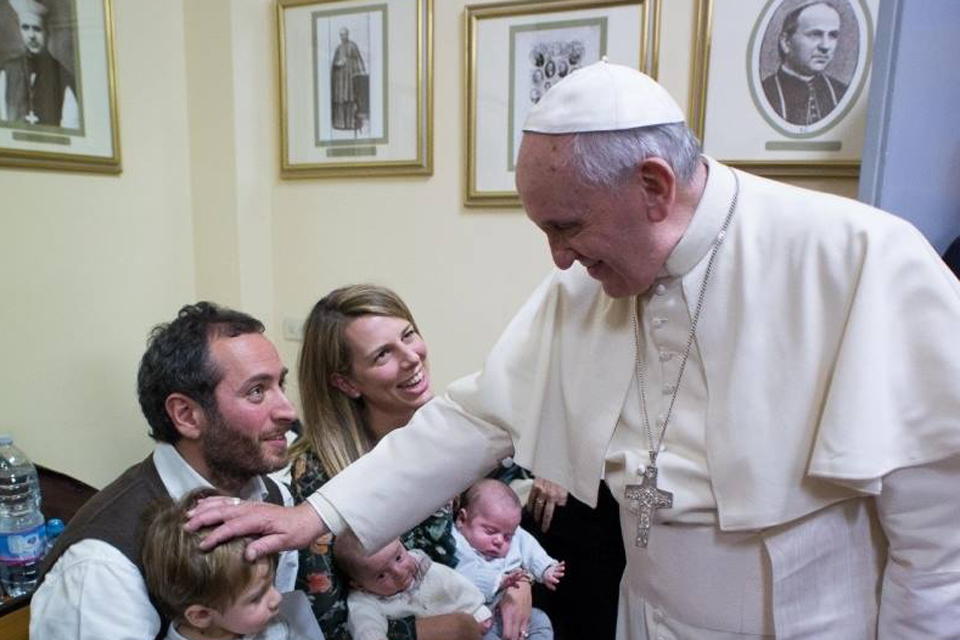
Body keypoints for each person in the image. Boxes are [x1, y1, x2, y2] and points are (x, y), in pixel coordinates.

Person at [189, 60, 960, 639]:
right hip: (647, 616)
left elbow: (939, 537)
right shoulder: (590, 286)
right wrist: (318, 513)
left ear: (653, 187)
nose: (559, 260)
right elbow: (472, 419)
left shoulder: (858, 258)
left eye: (567, 227)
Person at [31, 302, 300, 640]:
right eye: (257, 391)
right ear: (187, 415)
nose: (288, 410)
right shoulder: (102, 566)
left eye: (281, 385)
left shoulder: (272, 496)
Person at [287, 284, 538, 640]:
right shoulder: (315, 475)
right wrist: (431, 630)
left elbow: (489, 519)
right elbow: (325, 624)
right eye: (382, 355)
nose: (411, 358)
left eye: (409, 335)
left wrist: (517, 579)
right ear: (345, 382)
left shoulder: (446, 431)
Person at [141, 488, 289, 640]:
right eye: (256, 598)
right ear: (201, 615)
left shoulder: (263, 628)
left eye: (272, 583)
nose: (277, 598)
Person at [453, 480, 562, 640]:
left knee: (541, 620)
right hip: (478, 619)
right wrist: (498, 580)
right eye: (490, 531)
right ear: (462, 520)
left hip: (509, 611)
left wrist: (546, 568)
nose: (499, 540)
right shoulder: (456, 543)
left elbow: (529, 547)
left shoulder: (510, 532)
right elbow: (461, 574)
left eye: (507, 536)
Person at [334, 531, 494, 640]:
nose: (399, 572)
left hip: (468, 624)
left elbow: (455, 585)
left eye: (398, 558)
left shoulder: (420, 564)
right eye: (381, 575)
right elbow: (366, 625)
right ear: (359, 585)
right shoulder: (365, 600)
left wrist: (476, 610)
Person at [761, 1, 847, 126]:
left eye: (833, 35)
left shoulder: (841, 93)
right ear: (786, 42)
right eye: (815, 34)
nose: (825, 46)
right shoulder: (765, 93)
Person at [0, 0, 79, 127]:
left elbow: (71, 126)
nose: (31, 35)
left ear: (48, 32)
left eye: (37, 29)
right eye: (25, 27)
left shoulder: (64, 77)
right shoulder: (6, 71)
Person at [330, 27, 366, 131]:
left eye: (344, 34)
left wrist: (361, 71)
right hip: (340, 81)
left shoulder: (353, 46)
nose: (342, 37)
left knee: (351, 98)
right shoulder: (338, 48)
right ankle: (340, 124)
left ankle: (351, 124)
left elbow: (359, 59)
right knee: (341, 99)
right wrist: (337, 64)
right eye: (341, 35)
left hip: (350, 79)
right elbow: (333, 64)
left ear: (347, 34)